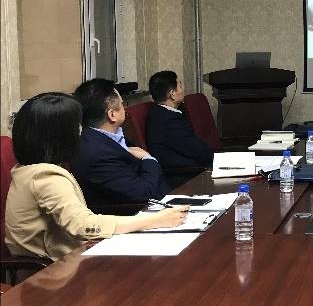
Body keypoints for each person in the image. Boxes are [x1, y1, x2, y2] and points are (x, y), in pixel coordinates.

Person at [4, 93, 187, 261]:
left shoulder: (29, 168)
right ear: (60, 136)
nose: (81, 131)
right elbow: (81, 225)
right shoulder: (46, 177)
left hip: (68, 259)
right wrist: (154, 221)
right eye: (76, 126)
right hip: (52, 273)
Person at [71, 78, 170, 207]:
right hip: (143, 212)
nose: (125, 109)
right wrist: (148, 159)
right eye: (122, 105)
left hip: (163, 199)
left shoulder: (107, 135)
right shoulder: (97, 154)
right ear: (112, 115)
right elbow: (143, 194)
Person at [145, 70, 213, 168]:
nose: (183, 90)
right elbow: (197, 151)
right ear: (172, 94)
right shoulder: (167, 120)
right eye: (180, 86)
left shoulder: (162, 112)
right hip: (186, 171)